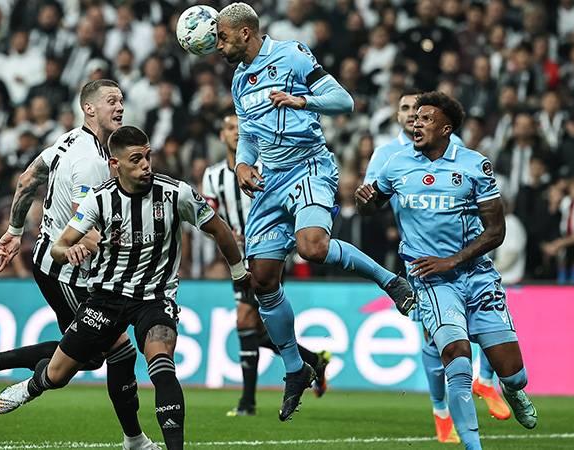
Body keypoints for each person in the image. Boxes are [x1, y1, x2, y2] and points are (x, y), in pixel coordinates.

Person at [215, 2, 414, 422]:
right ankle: (295, 368)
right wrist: (242, 164)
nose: (218, 45)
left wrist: (300, 101)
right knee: (262, 279)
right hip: (270, 178)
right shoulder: (237, 80)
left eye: (223, 37)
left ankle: (391, 282)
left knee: (312, 247)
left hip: (308, 164)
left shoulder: (291, 53)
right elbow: (248, 133)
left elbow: (343, 101)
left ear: (245, 33)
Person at [0, 126, 250, 450]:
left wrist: (239, 272)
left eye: (148, 157)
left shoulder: (175, 194)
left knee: (161, 361)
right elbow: (60, 246)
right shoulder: (98, 199)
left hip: (154, 297)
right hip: (106, 297)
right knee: (57, 375)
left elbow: (218, 228)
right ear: (115, 165)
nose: (146, 166)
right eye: (136, 159)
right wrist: (68, 251)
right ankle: (34, 386)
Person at [0, 80, 158, 450]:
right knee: (115, 352)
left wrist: (15, 230)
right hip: (66, 271)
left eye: (122, 101)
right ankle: (135, 440)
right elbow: (87, 227)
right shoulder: (91, 164)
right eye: (111, 101)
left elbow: (27, 179)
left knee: (92, 354)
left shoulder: (69, 141)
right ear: (89, 108)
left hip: (56, 264)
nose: (120, 107)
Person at [355, 92, 537, 450]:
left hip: (478, 276)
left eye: (425, 119)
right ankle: (473, 446)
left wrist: (453, 260)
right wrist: (364, 204)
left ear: (446, 128)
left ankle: (512, 390)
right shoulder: (395, 164)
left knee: (514, 373)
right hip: (431, 280)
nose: (416, 123)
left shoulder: (474, 165)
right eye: (414, 118)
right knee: (455, 354)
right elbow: (372, 206)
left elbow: (495, 232)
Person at [202, 114, 331, 417]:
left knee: (246, 321)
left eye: (240, 127)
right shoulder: (213, 176)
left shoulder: (268, 167)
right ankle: (312, 360)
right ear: (222, 135)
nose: (236, 133)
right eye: (230, 128)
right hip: (237, 258)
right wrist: (225, 234)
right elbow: (208, 217)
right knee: (257, 331)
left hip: (266, 252)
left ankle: (248, 402)